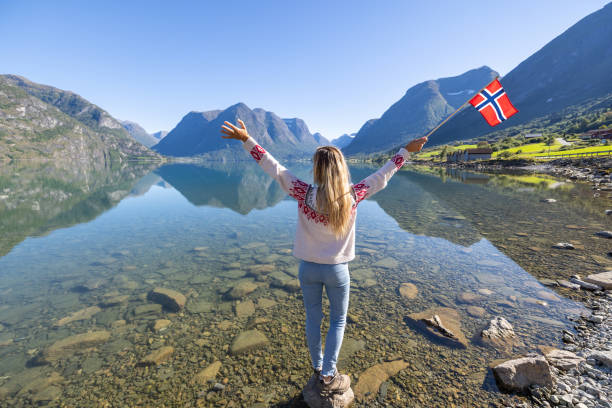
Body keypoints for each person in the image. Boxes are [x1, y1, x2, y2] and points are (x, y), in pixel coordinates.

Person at [220, 119, 427, 394]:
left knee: (313, 319)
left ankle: (318, 368)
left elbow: (273, 167)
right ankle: (329, 374)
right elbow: (384, 174)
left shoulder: (302, 192)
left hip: (308, 270)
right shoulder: (354, 195)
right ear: (342, 168)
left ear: (316, 169)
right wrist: (407, 151)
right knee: (338, 321)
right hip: (337, 271)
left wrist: (247, 140)